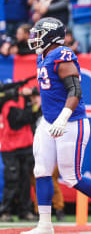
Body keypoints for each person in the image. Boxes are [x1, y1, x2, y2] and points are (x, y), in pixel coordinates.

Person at [24, 17, 91, 234]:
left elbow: (76, 91)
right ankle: (45, 225)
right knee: (41, 170)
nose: (35, 39)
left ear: (51, 36)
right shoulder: (43, 56)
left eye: (39, 34)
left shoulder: (61, 54)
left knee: (71, 177)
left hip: (71, 122)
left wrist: (62, 118)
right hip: (49, 122)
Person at [0, 86, 38, 222]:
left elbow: (32, 119)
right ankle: (5, 212)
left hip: (25, 147)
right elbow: (21, 120)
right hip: (10, 149)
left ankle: (25, 211)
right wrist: (30, 103)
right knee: (12, 180)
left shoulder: (21, 104)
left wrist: (33, 104)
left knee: (25, 181)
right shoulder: (9, 105)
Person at [28, 88, 66, 221]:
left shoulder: (51, 109)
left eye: (36, 96)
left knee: (52, 180)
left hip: (52, 148)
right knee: (37, 180)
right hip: (36, 149)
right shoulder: (31, 111)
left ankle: (59, 209)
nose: (34, 99)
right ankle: (40, 212)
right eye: (32, 97)